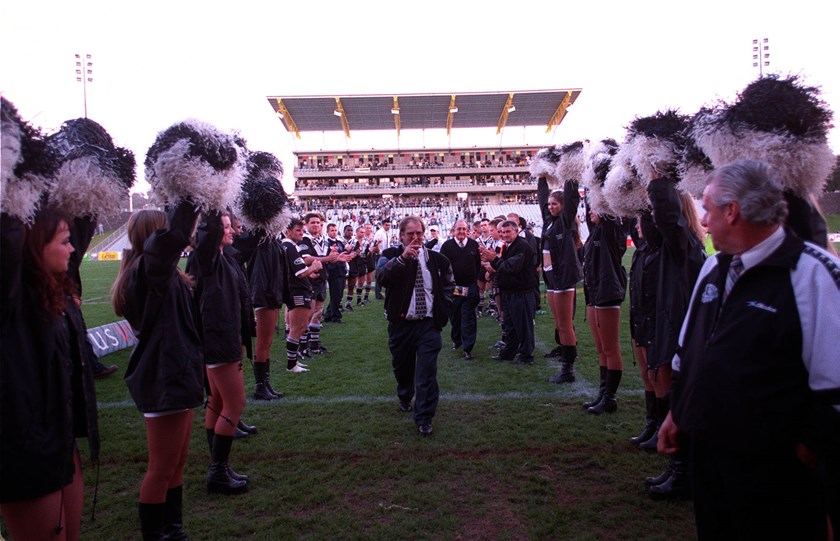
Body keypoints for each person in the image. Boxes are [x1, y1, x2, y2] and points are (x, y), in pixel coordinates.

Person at [659, 160, 840, 540]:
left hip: (775, 474)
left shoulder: (811, 272)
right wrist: (678, 411)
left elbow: (833, 383)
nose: (703, 221)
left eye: (708, 208)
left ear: (733, 210)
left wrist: (804, 451)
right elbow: (689, 350)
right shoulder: (713, 268)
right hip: (709, 460)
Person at [1, 209, 100, 541]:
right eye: (65, 241)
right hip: (25, 451)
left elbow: (81, 220)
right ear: (31, 246)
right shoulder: (12, 301)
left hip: (59, 440)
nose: (73, 249)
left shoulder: (54, 288)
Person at [111, 204, 205, 540]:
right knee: (161, 468)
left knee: (178, 461)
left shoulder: (160, 273)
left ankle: (173, 529)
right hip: (164, 374)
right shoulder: (150, 272)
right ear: (154, 238)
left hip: (178, 371)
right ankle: (156, 534)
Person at [189, 211, 250, 494]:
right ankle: (217, 470)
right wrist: (213, 199)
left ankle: (219, 466)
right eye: (225, 227)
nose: (231, 231)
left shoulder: (225, 257)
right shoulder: (209, 259)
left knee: (216, 400)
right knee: (235, 402)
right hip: (218, 338)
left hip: (223, 336)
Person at [377, 216, 454, 435]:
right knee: (403, 368)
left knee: (427, 371)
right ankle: (404, 394)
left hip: (428, 325)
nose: (415, 238)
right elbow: (382, 278)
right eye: (410, 234)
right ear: (401, 235)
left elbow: (449, 284)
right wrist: (402, 259)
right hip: (401, 324)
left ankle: (424, 417)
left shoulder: (438, 259)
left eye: (419, 233)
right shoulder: (389, 255)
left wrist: (443, 308)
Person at [580, 205, 627, 414]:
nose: (589, 212)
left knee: (610, 347)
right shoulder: (595, 232)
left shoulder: (610, 230)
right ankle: (603, 393)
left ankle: (610, 398)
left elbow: (604, 210)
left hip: (607, 292)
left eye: (595, 208)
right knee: (601, 348)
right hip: (595, 293)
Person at [538, 177, 583, 384]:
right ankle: (566, 362)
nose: (550, 207)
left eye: (554, 204)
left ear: (563, 206)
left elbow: (573, 198)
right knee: (559, 324)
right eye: (549, 204)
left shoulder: (565, 221)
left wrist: (570, 174)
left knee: (565, 325)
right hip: (551, 279)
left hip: (563, 277)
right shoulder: (549, 221)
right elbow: (541, 199)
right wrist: (541, 178)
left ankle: (568, 370)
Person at [482, 220, 538, 365]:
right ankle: (509, 353)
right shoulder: (508, 246)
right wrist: (492, 267)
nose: (505, 235)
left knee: (523, 326)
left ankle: (526, 356)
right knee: (510, 325)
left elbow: (511, 267)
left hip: (521, 292)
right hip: (510, 291)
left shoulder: (522, 246)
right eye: (503, 232)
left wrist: (494, 260)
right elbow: (504, 267)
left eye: (508, 232)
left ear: (516, 231)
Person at [280, 218, 322, 373]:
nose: (301, 233)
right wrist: (313, 267)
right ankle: (291, 364)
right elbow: (300, 272)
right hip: (297, 291)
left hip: (295, 289)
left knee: (299, 327)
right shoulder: (289, 246)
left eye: (302, 230)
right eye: (298, 230)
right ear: (288, 231)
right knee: (298, 327)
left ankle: (293, 362)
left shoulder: (287, 246)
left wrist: (308, 274)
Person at [440, 220, 482, 360]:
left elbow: (477, 265)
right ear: (453, 231)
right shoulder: (447, 246)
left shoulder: (473, 245)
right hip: (455, 288)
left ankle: (468, 347)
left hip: (470, 286)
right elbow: (443, 267)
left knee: (468, 315)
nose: (461, 232)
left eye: (464, 229)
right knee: (456, 316)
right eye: (459, 229)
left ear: (468, 230)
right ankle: (457, 340)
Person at [323, 222, 352, 323]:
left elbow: (343, 254)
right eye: (332, 230)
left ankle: (328, 315)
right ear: (327, 231)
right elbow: (328, 258)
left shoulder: (339, 241)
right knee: (336, 294)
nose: (334, 232)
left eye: (335, 230)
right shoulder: (326, 243)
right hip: (333, 270)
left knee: (339, 294)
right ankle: (336, 317)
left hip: (341, 269)